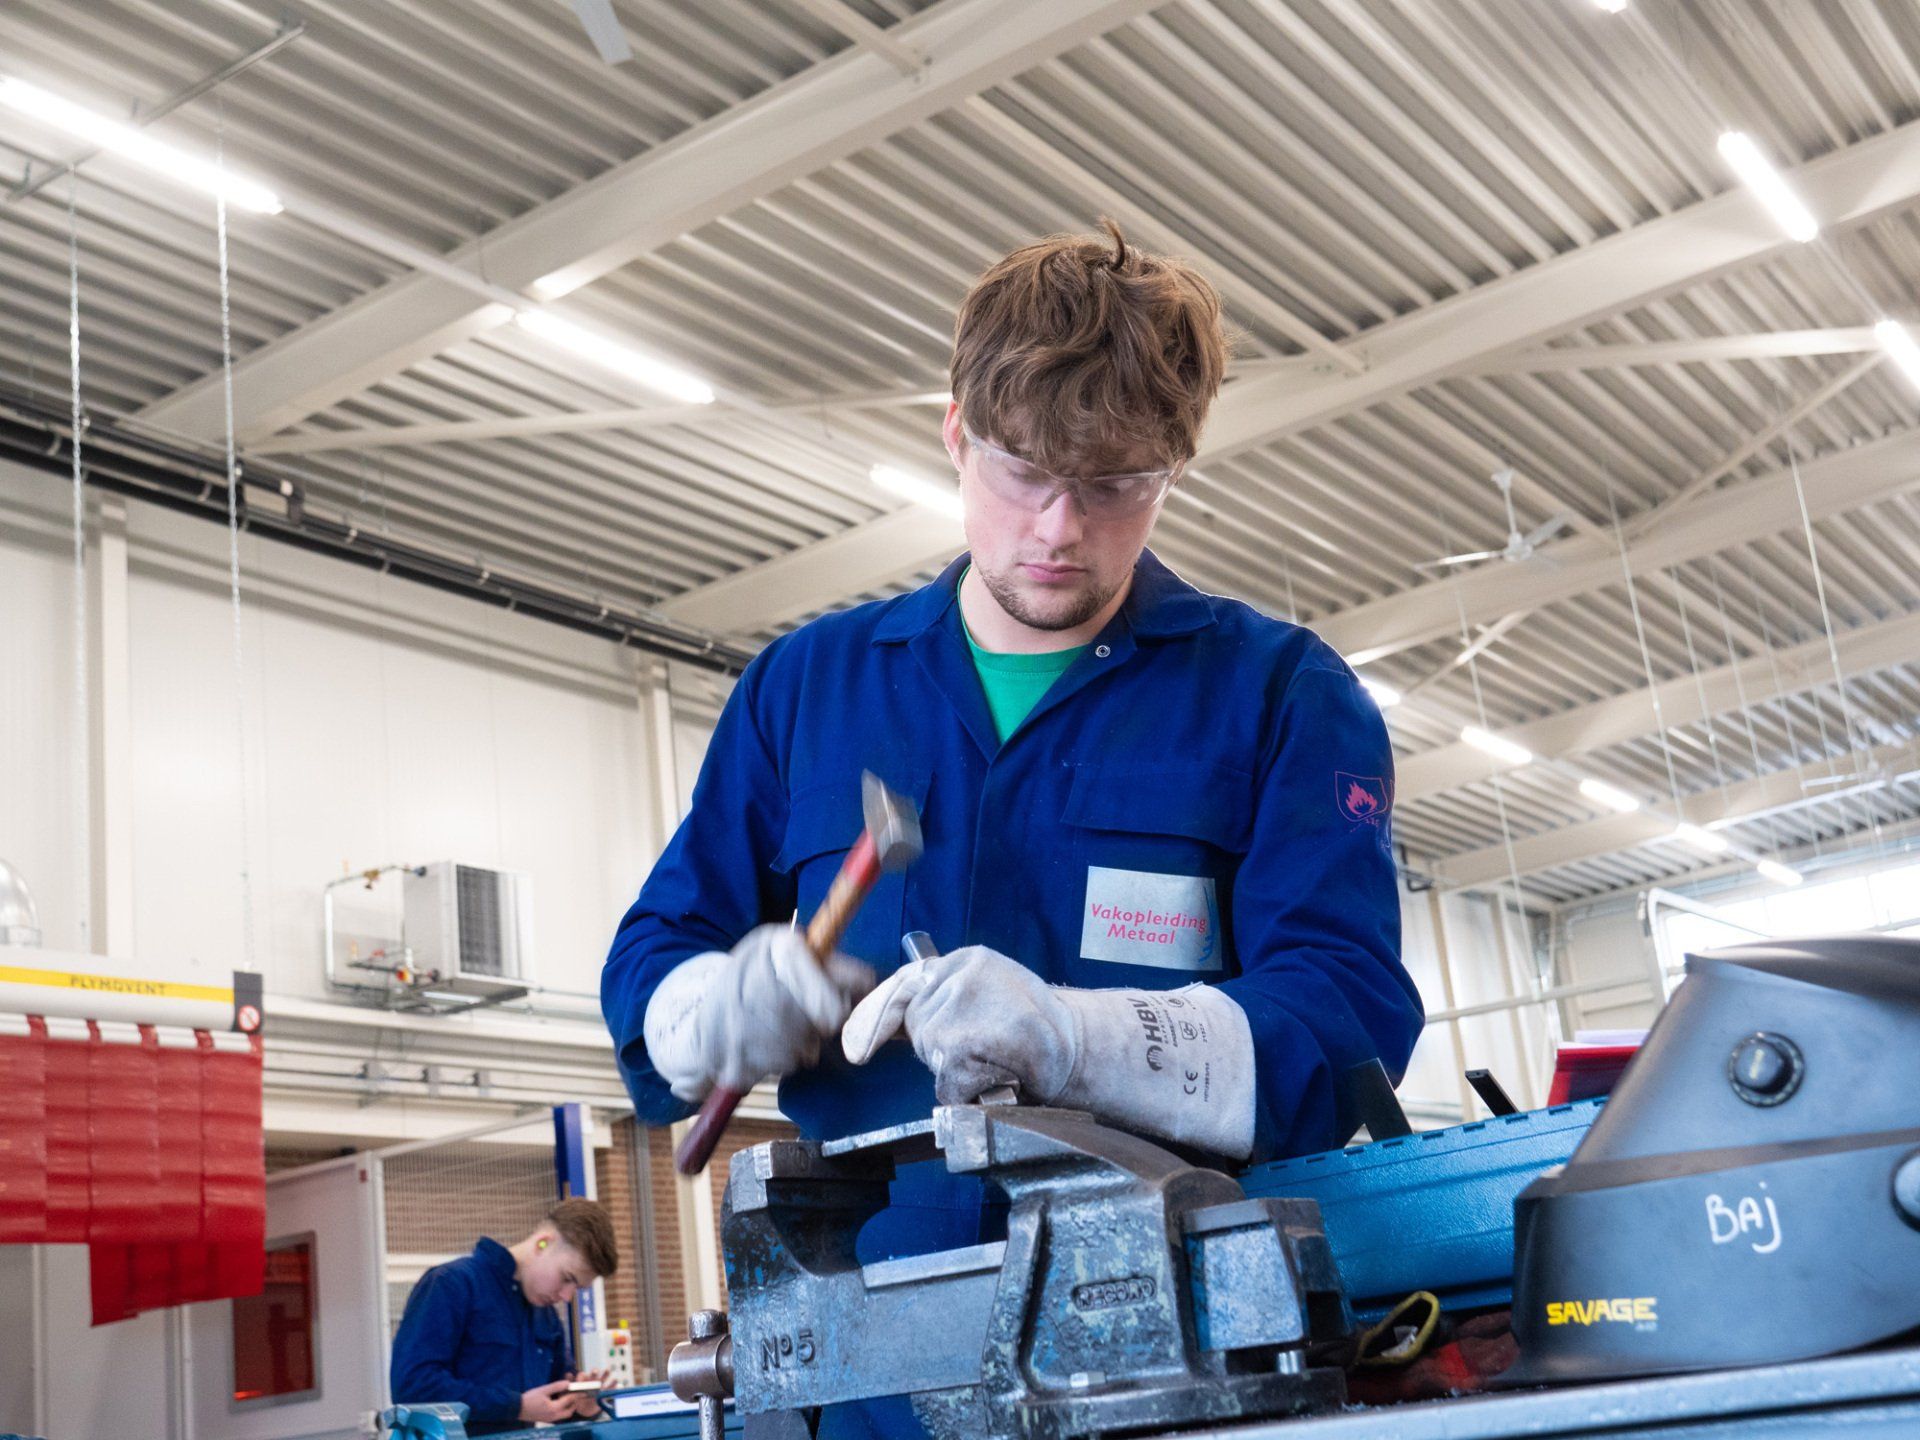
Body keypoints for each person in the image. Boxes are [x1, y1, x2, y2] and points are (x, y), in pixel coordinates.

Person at [602, 221, 1424, 1437]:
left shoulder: (1279, 695)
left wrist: (1081, 1039)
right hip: (858, 1341)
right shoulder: (806, 689)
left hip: (1166, 1339)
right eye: (1021, 471)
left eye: (1112, 486)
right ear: (953, 433)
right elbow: (657, 950)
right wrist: (706, 1009)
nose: (1056, 528)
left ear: (1174, 470)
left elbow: (1347, 1012)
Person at [389, 1198, 618, 1435]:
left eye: (577, 1288)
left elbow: (550, 1403)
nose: (567, 1296)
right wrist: (515, 1407)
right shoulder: (452, 1284)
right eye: (567, 1278)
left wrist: (582, 1407)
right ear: (543, 1243)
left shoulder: (547, 1319)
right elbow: (413, 1386)